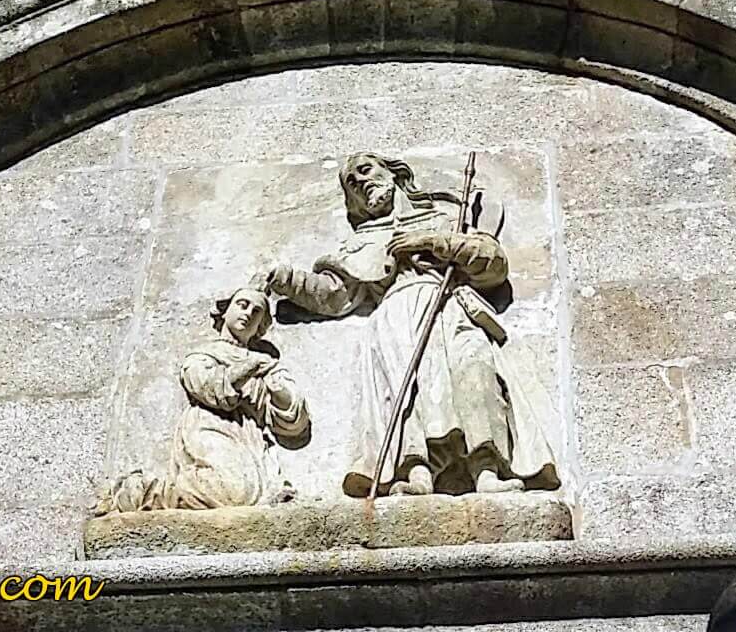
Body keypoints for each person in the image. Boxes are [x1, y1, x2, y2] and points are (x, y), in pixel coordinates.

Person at [264, 153, 557, 497]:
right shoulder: (363, 240)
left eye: (366, 171)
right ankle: (417, 473)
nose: (361, 183)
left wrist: (431, 242)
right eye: (352, 184)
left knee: (476, 372)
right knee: (411, 392)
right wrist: (286, 279)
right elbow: (335, 295)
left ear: (393, 172)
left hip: (450, 306)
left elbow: (493, 265)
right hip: (397, 314)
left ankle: (487, 472)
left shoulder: (445, 216)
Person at [95, 285, 309, 513]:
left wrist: (280, 391)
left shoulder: (266, 363)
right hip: (209, 426)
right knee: (237, 492)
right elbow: (205, 385)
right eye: (242, 305)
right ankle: (145, 492)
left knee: (249, 491)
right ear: (225, 311)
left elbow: (293, 420)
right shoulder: (205, 354)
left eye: (256, 312)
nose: (248, 313)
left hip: (249, 436)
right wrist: (248, 367)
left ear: (260, 327)